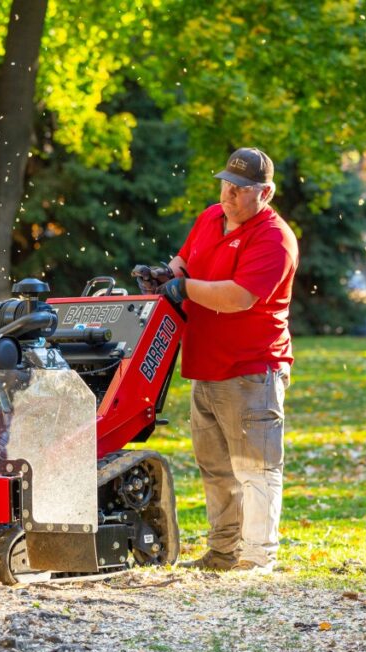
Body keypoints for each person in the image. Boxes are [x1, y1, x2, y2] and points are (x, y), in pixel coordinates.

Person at [133, 147, 298, 574]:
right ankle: (223, 553)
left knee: (255, 469)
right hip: (205, 364)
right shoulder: (210, 217)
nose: (230, 195)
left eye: (241, 189)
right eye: (226, 184)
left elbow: (238, 296)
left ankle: (258, 556)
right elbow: (184, 262)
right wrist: (164, 277)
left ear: (266, 192)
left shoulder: (274, 237)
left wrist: (184, 290)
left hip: (251, 368)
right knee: (217, 469)